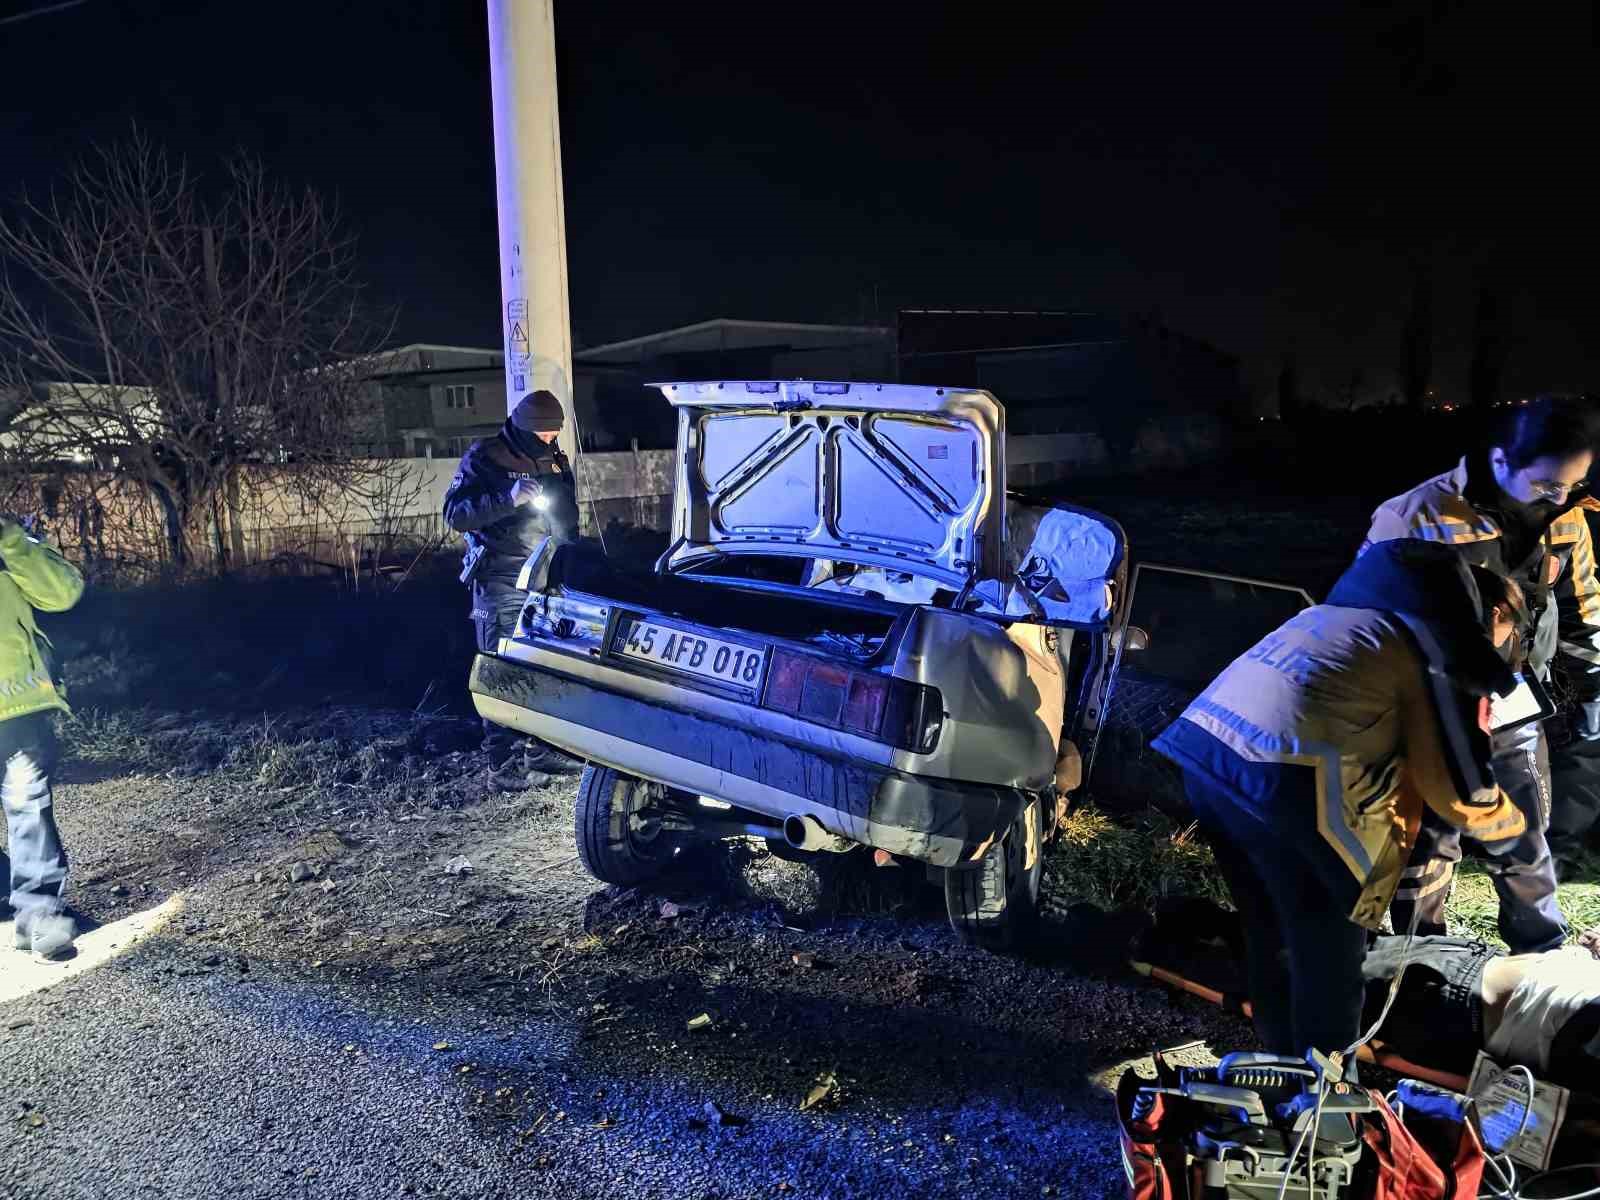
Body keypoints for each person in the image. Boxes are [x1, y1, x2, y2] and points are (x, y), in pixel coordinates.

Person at [1151, 539, 1527, 1066]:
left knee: (1269, 926)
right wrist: (1515, 835)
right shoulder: (1428, 647)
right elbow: (1455, 784)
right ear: (1474, 611)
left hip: (1211, 763)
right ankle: (1327, 1098)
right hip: (1286, 785)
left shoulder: (1338, 618)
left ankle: (1283, 1061)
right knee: (1329, 951)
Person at [1365, 394, 1600, 951]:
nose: (1562, 498)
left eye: (1575, 483)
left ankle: (1539, 948)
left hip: (1513, 698)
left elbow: (1582, 605)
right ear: (1500, 462)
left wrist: (1594, 681)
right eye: (1547, 485)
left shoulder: (1566, 517)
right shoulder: (1416, 515)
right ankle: (1425, 954)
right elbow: (1366, 619)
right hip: (1430, 707)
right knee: (1431, 838)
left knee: (1524, 831)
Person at [442, 390, 584, 788]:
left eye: (554, 434)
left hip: (546, 577)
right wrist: (507, 498)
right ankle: (502, 764)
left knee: (542, 664)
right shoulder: (486, 457)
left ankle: (540, 750)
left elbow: (567, 516)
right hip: (500, 580)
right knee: (500, 668)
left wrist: (572, 556)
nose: (549, 440)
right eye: (542, 434)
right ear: (523, 428)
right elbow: (455, 513)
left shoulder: (555, 459)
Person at [0, 515, 86, 958]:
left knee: (28, 801)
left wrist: (11, 541)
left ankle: (37, 913)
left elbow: (62, 593)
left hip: (15, 703)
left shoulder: (12, 541)